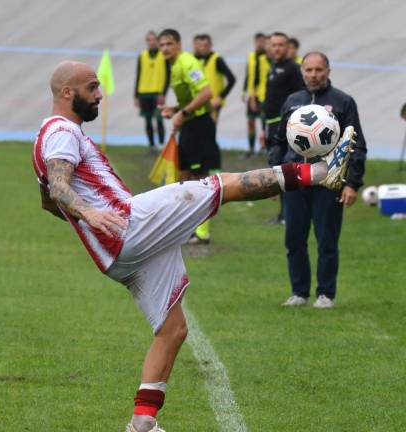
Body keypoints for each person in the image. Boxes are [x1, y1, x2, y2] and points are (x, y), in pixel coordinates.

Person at [32, 60, 353, 432]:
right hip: (129, 227)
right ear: (67, 93)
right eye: (92, 88)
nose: (100, 94)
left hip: (117, 254)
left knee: (173, 330)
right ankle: (317, 172)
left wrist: (91, 225)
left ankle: (142, 423)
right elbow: (58, 188)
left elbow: (46, 201)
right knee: (221, 185)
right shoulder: (61, 133)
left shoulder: (45, 137)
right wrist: (91, 215)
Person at [276, 52, 367, 308]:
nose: (313, 75)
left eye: (318, 70)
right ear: (302, 71)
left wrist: (352, 183)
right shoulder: (293, 101)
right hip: (295, 181)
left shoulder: (343, 102)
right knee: (294, 239)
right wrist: (275, 177)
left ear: (328, 71)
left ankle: (326, 294)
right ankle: (299, 292)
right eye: (308, 70)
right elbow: (279, 141)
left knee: (327, 240)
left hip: (328, 183)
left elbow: (356, 144)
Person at [158, 28, 217, 244]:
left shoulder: (187, 62)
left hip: (200, 125)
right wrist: (175, 109)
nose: (165, 48)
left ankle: (202, 232)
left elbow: (206, 93)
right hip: (191, 125)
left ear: (178, 45)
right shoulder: (174, 65)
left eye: (169, 44)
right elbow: (193, 97)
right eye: (162, 44)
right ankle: (187, 227)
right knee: (183, 175)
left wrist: (183, 113)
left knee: (200, 178)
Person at [264, 32, 304, 224]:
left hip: (286, 127)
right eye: (274, 45)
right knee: (276, 166)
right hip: (271, 124)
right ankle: (282, 214)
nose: (277, 48)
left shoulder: (294, 69)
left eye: (281, 45)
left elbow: (301, 97)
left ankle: (288, 214)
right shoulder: (273, 67)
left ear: (288, 47)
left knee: (286, 167)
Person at [134, 31, 170, 152]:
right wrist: (136, 96)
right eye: (149, 40)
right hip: (144, 93)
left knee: (159, 119)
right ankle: (151, 145)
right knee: (148, 120)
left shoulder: (163, 55)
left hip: (157, 93)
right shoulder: (142, 56)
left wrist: (163, 93)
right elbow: (138, 75)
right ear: (146, 41)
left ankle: (161, 144)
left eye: (154, 39)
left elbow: (168, 76)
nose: (152, 42)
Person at [192, 34, 236, 124]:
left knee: (209, 129)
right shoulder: (197, 60)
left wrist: (220, 97)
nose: (203, 48)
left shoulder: (217, 60)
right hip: (200, 101)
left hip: (213, 102)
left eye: (205, 46)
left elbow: (232, 79)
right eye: (200, 46)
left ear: (211, 45)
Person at [242, 32, 269, 158]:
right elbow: (248, 75)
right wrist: (244, 91)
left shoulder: (269, 57)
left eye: (263, 41)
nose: (261, 44)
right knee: (250, 122)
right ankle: (251, 149)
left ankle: (264, 148)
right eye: (259, 41)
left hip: (265, 94)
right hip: (253, 94)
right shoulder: (251, 56)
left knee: (265, 123)